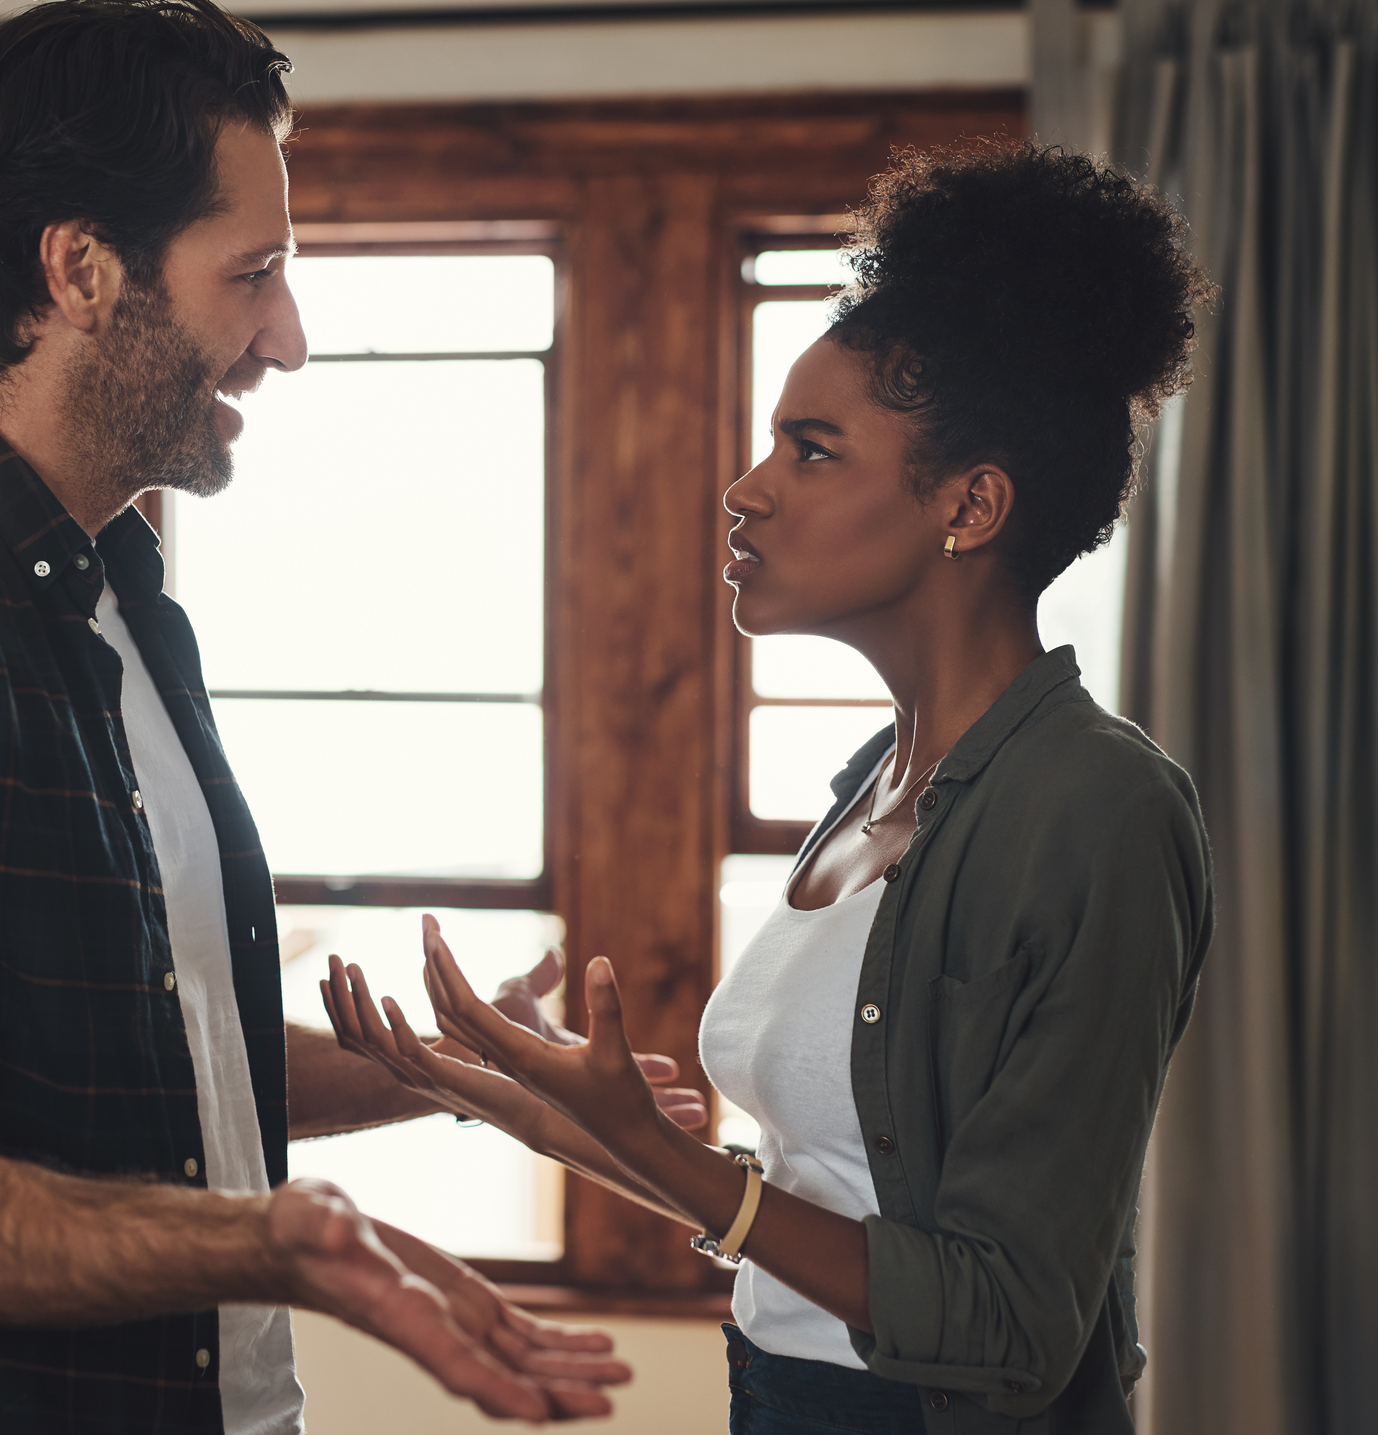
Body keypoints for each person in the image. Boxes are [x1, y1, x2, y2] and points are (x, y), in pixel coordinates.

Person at [0, 3, 665, 1432]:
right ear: (79, 269)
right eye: (254, 274)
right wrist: (271, 1242)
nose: (288, 343)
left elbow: (143, 1073)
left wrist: (457, 1076)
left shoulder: (117, 591)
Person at [325, 141, 1217, 1435]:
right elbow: (831, 1199)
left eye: (809, 452)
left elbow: (1012, 1328)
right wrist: (519, 1105)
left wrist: (663, 1154)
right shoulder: (872, 783)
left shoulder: (1098, 814)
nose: (743, 493)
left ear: (967, 505)